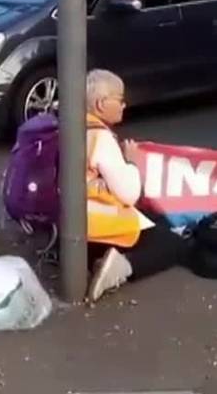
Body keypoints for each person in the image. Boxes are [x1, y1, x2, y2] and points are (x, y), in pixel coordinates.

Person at [83, 69, 188, 302]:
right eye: (120, 99)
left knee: (153, 222)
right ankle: (121, 268)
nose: (124, 105)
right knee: (173, 245)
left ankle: (99, 260)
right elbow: (129, 194)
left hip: (60, 223)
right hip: (93, 224)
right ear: (101, 103)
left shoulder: (69, 126)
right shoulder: (100, 138)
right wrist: (131, 162)